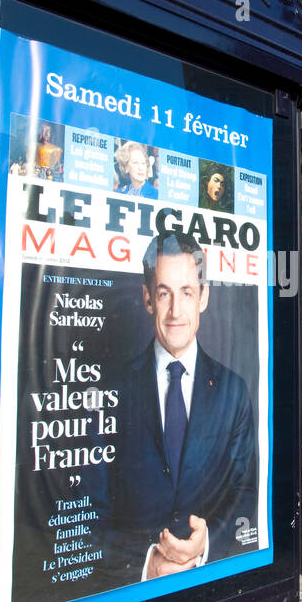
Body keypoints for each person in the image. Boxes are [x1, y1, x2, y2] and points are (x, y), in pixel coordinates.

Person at [91, 231, 257, 581]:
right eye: (164, 293)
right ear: (148, 298)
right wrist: (145, 560)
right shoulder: (108, 390)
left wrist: (207, 542)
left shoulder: (234, 391)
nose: (175, 312)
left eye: (187, 292)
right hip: (126, 592)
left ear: (204, 297)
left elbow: (244, 491)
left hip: (209, 582)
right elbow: (91, 508)